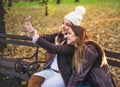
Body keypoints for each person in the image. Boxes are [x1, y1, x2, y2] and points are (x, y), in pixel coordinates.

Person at [25, 6, 86, 87]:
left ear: (74, 28)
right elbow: (45, 37)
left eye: (67, 25)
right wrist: (33, 31)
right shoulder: (60, 35)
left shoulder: (73, 43)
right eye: (63, 23)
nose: (63, 26)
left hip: (62, 75)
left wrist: (35, 36)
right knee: (34, 79)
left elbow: (54, 49)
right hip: (50, 70)